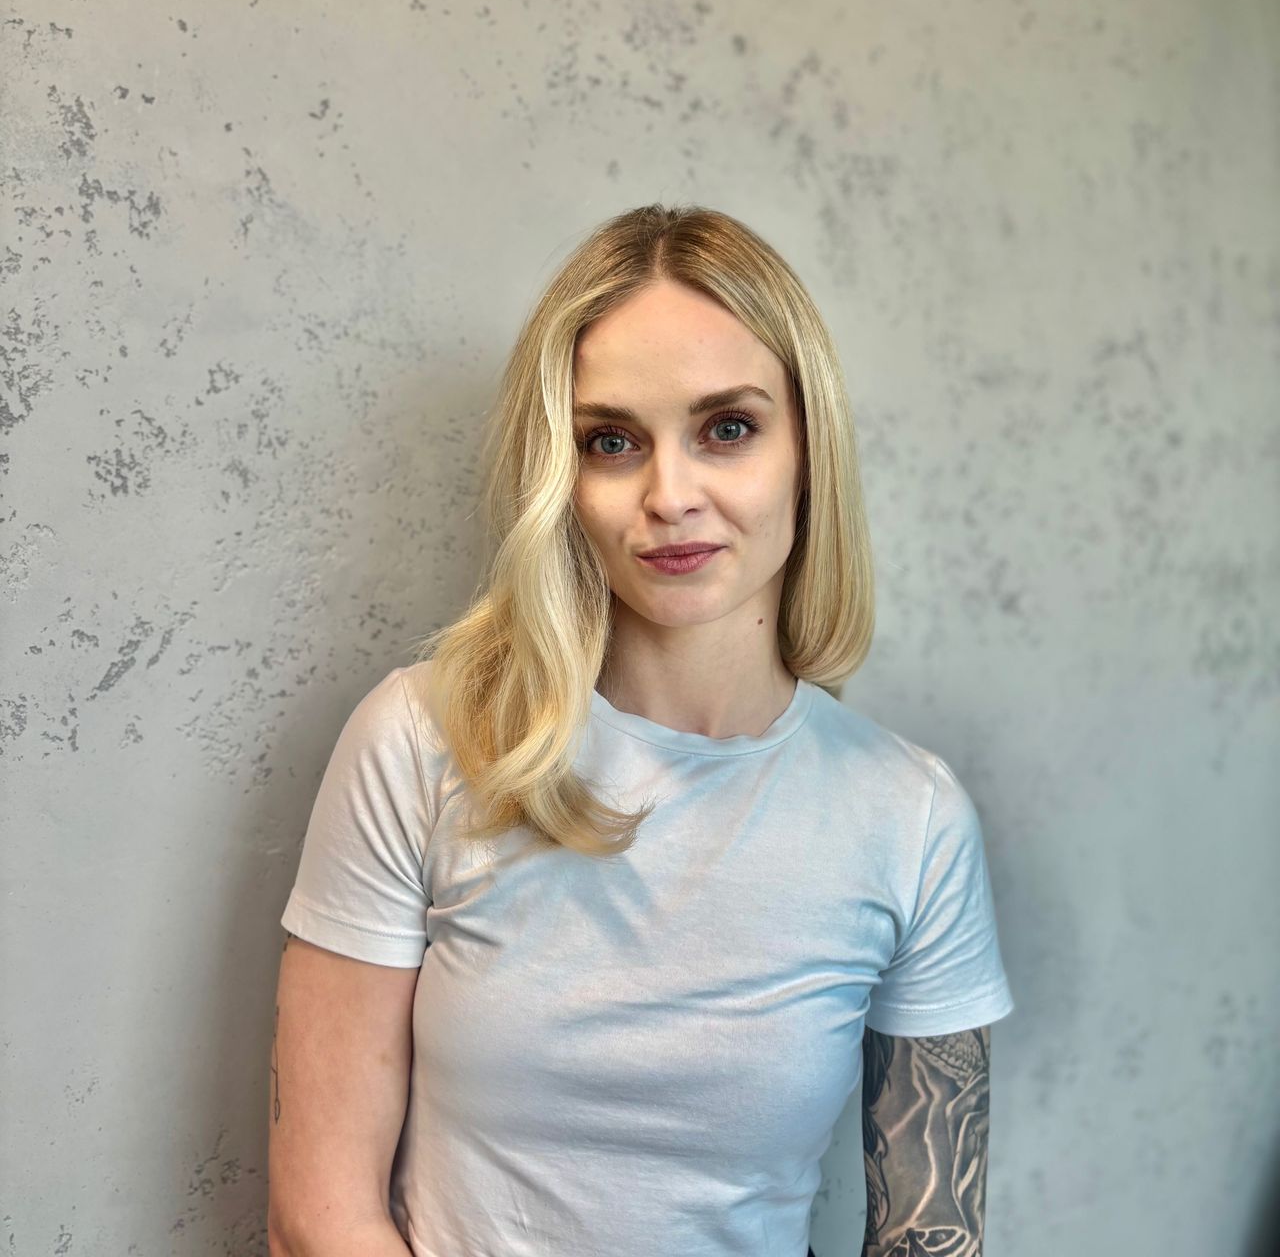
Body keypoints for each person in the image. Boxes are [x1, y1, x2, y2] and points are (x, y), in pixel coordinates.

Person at [266, 203, 1014, 1257]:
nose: (670, 496)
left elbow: (928, 1237)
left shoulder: (910, 817)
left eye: (727, 428)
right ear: (559, 475)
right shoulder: (423, 741)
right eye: (610, 442)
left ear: (809, 448)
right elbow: (319, 1219)